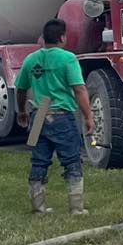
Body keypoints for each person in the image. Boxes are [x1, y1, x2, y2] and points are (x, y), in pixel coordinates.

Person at [14, 18, 95, 215]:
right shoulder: (68, 59)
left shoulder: (31, 60)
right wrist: (88, 116)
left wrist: (22, 110)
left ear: (43, 38)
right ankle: (76, 208)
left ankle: (38, 207)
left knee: (39, 161)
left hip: (39, 113)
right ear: (62, 37)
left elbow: (21, 88)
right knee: (72, 160)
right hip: (62, 115)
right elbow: (79, 89)